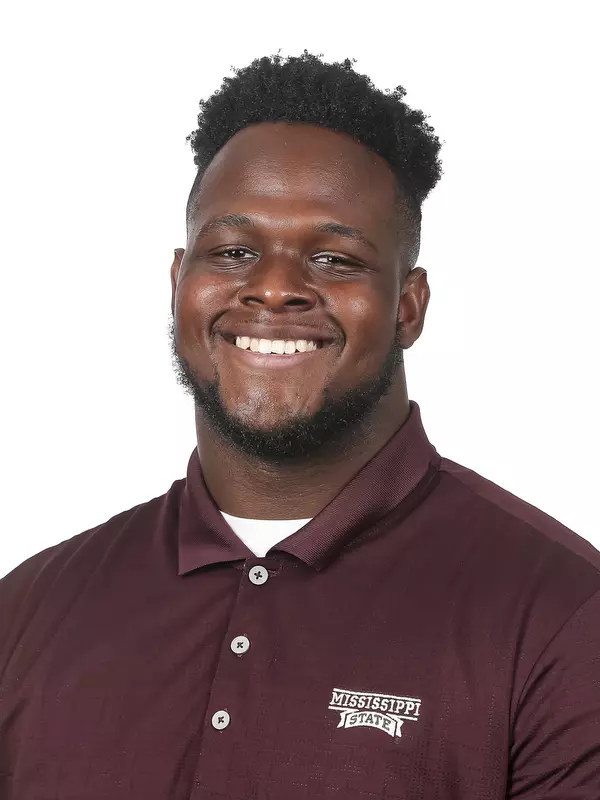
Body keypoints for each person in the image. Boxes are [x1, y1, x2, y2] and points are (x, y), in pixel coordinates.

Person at [0, 51, 598, 800]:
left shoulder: (565, 617)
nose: (276, 287)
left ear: (408, 307)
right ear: (179, 282)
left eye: (334, 258)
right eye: (234, 251)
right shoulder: (27, 610)